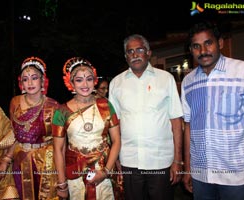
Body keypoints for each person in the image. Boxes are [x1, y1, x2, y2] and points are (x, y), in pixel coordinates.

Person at [109, 34, 184, 200]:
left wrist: (178, 160)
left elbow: (176, 121)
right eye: (130, 51)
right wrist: (116, 158)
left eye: (140, 50)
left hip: (160, 161)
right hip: (129, 160)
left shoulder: (166, 79)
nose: (135, 54)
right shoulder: (116, 83)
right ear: (126, 56)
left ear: (149, 53)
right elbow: (115, 125)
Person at [181, 21, 244, 200]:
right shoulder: (188, 82)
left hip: (237, 174)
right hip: (201, 175)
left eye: (208, 43)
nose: (203, 50)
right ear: (191, 50)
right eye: (196, 46)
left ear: (220, 43)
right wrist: (187, 168)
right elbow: (188, 127)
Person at [52, 57, 121, 200]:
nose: (85, 84)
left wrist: (106, 171)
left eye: (89, 79)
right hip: (75, 173)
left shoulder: (106, 106)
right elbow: (58, 149)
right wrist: (62, 184)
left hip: (103, 169)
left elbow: (116, 140)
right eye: (79, 80)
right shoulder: (62, 111)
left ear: (94, 81)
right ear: (71, 83)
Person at [9, 56, 60, 200]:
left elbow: (59, 143)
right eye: (25, 79)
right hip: (20, 159)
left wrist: (62, 179)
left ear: (43, 81)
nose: (30, 82)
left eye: (34, 78)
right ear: (21, 83)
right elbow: (11, 133)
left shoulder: (54, 106)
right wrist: (6, 159)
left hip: (46, 161)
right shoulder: (15, 102)